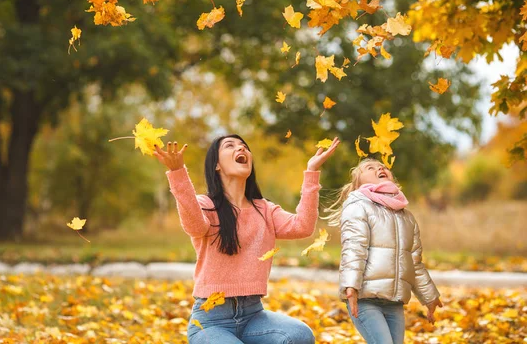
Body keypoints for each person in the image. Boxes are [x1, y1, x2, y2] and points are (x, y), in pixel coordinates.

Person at [153, 135, 340, 344]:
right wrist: (177, 172)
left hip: (254, 316)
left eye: (244, 146)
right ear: (216, 164)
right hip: (211, 322)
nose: (240, 149)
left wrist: (312, 172)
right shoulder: (205, 205)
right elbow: (195, 226)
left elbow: (303, 226)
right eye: (230, 146)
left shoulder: (264, 210)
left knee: (299, 335)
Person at [324, 158, 443, 344]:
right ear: (358, 184)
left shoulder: (406, 217)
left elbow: (414, 263)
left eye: (383, 167)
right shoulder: (358, 207)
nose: (380, 168)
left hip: (393, 302)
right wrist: (351, 287)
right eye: (370, 168)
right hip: (365, 299)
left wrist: (429, 296)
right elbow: (354, 249)